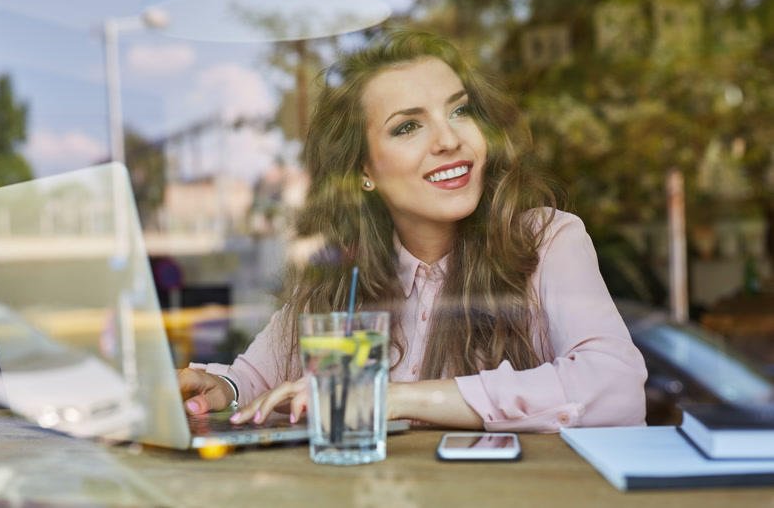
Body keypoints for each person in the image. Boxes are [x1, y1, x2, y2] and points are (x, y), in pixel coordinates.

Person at [177, 29, 647, 432]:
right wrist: (224, 389)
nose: (449, 140)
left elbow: (615, 388)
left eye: (460, 111)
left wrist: (395, 398)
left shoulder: (547, 241)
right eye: (407, 127)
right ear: (365, 169)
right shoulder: (338, 274)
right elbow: (257, 381)